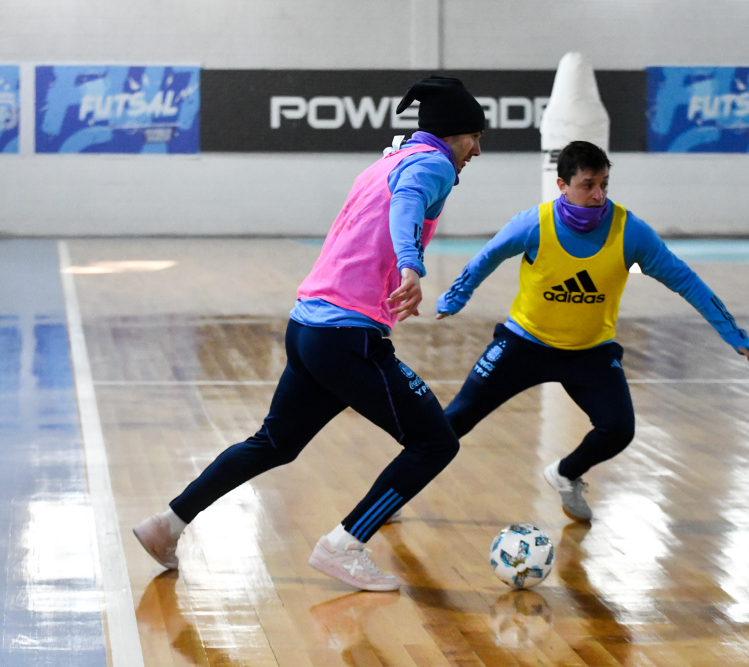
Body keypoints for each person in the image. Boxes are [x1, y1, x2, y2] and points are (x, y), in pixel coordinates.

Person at [132, 75, 486, 591]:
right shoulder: (429, 165)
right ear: (453, 133)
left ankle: (167, 524)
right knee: (435, 442)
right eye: (474, 136)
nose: (477, 150)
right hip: (347, 335)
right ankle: (345, 544)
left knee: (275, 442)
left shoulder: (388, 160)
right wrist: (411, 266)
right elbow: (408, 201)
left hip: (307, 327)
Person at [435, 140, 749, 522]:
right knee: (450, 424)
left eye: (604, 184)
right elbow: (486, 257)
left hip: (589, 353)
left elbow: (685, 281)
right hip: (523, 344)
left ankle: (565, 474)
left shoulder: (630, 232)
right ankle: (395, 489)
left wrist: (733, 334)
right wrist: (454, 299)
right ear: (562, 185)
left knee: (619, 429)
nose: (598, 194)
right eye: (588, 184)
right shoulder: (533, 223)